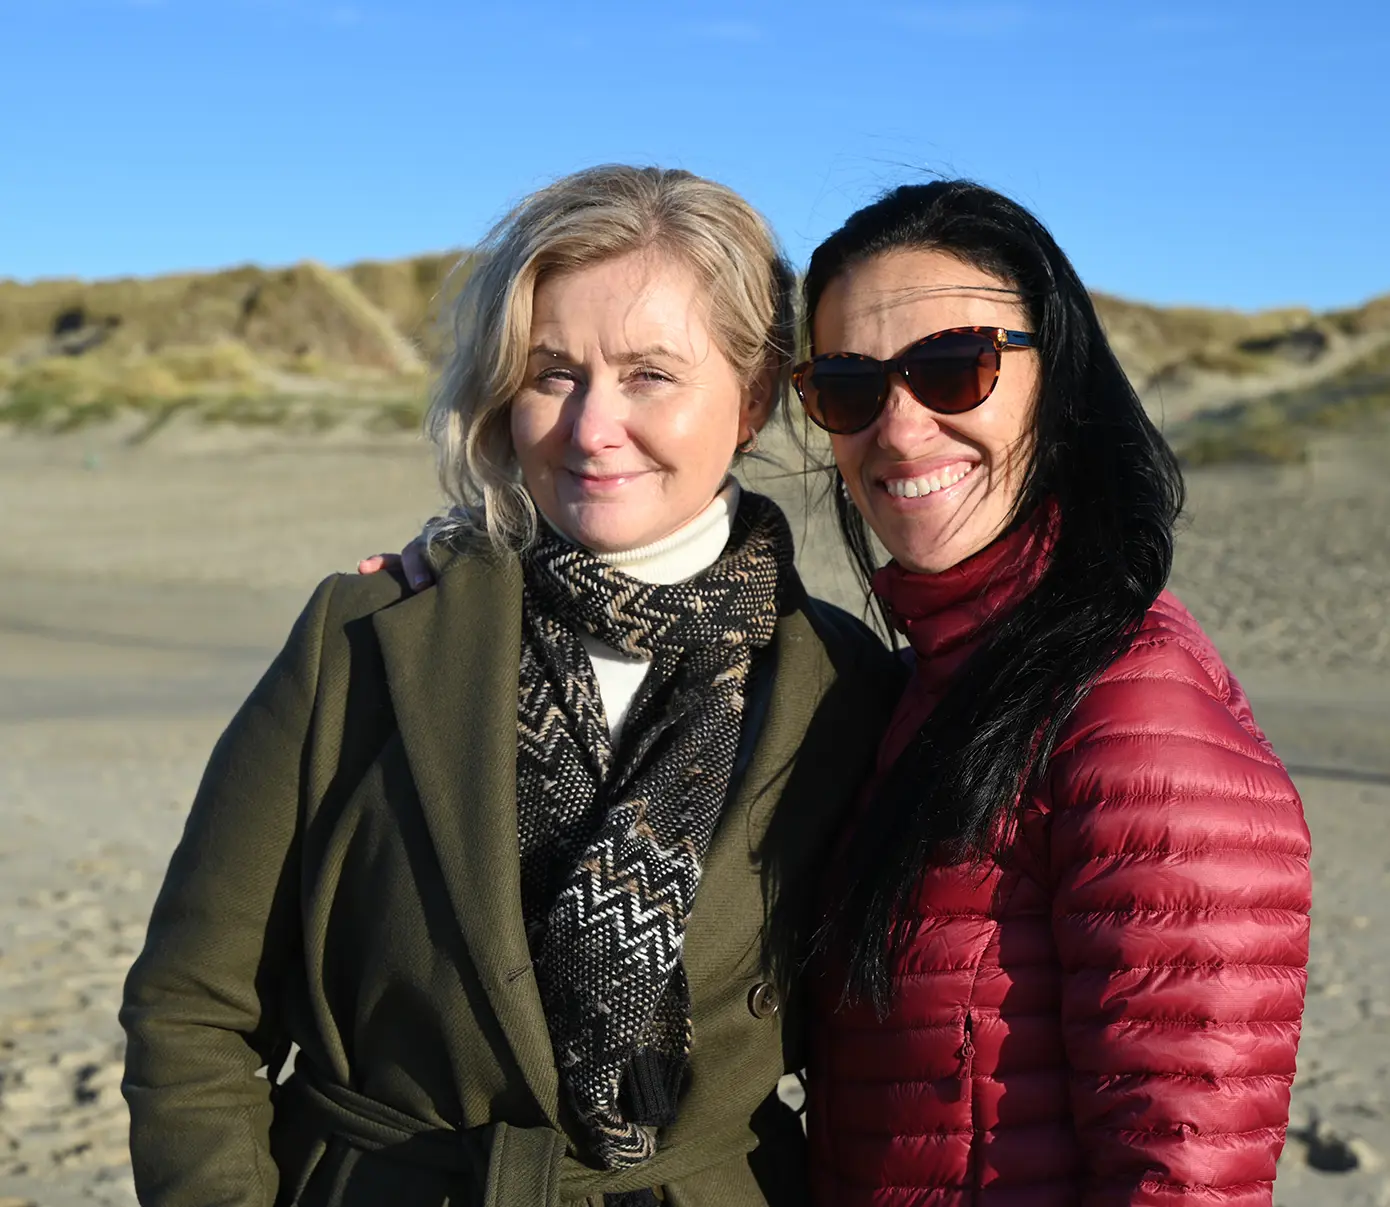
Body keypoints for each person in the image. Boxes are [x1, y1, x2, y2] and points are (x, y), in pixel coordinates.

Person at [119, 165, 901, 1207]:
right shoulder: (368, 636)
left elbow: (896, 1062)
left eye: (650, 374)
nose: (591, 427)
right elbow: (192, 1011)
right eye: (552, 373)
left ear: (752, 395)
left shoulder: (843, 689)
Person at [793, 181, 1312, 1205]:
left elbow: (1182, 1179)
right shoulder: (925, 683)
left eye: (953, 368)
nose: (898, 429)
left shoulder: (1131, 710)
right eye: (848, 386)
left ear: (1059, 380)